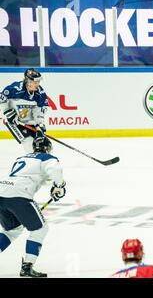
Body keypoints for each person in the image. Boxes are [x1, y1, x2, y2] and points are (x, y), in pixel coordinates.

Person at [0, 136, 66, 277]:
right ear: (47, 148)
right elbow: (55, 170)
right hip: (19, 195)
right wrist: (59, 186)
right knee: (40, 229)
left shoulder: (21, 158)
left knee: (12, 230)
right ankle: (27, 267)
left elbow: (28, 175)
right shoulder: (46, 157)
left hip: (1, 193)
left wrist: (54, 187)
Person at [0, 68, 49, 153]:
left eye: (38, 81)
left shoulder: (40, 94)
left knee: (44, 144)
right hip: (15, 122)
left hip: (30, 122)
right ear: (28, 82)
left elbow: (39, 112)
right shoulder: (15, 89)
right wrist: (7, 112)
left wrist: (39, 127)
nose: (38, 84)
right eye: (35, 82)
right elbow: (1, 98)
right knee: (29, 143)